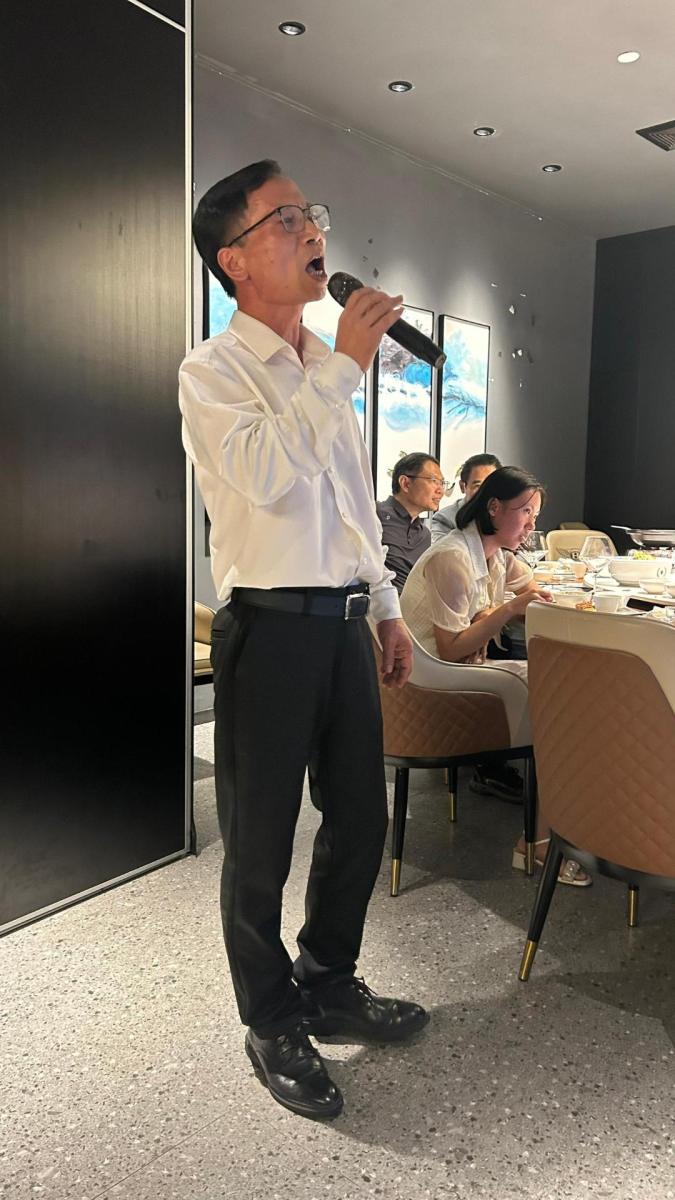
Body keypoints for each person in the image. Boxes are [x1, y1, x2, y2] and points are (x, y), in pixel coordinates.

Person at [179, 159, 429, 1122]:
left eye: (310, 214)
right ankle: (270, 1019)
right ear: (234, 260)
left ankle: (328, 983)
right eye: (284, 219)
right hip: (269, 631)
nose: (312, 230)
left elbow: (348, 508)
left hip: (343, 626)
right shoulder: (212, 372)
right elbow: (266, 476)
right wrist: (345, 369)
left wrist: (386, 605)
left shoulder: (324, 366)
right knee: (259, 844)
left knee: (359, 820)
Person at [401, 466, 590, 887]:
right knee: (557, 699)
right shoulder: (452, 557)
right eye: (525, 512)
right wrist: (504, 610)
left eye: (535, 515)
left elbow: (537, 590)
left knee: (561, 696)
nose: (532, 525)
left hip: (456, 669)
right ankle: (539, 842)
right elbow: (451, 648)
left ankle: (553, 832)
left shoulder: (496, 555)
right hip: (430, 684)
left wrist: (497, 610)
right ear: (493, 507)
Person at [376, 452, 445, 593]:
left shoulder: (424, 534)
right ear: (405, 483)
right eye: (434, 481)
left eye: (442, 483)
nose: (441, 491)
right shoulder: (375, 515)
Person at [430, 452, 501, 542]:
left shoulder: (505, 514)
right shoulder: (445, 518)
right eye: (478, 486)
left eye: (491, 485)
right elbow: (443, 548)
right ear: (462, 487)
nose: (485, 492)